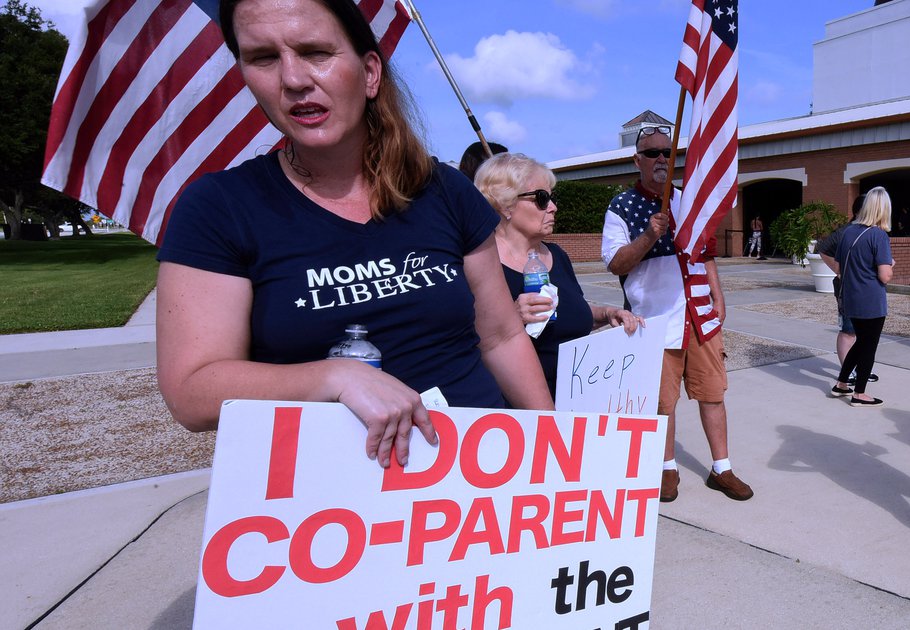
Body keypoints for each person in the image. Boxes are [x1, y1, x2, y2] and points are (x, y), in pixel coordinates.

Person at [155, 0, 552, 470]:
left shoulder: (445, 190)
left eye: (316, 52)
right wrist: (334, 377)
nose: (293, 79)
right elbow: (192, 392)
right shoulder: (219, 207)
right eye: (263, 57)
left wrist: (553, 451)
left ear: (368, 73)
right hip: (330, 507)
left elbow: (501, 337)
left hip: (476, 480)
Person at [601, 125, 753, 503]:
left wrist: (718, 298)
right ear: (636, 160)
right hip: (654, 322)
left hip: (699, 317)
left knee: (712, 394)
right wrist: (649, 236)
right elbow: (617, 264)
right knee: (661, 403)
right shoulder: (622, 206)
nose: (662, 160)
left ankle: (722, 468)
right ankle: (666, 469)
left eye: (669, 153)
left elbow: (706, 253)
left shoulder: (690, 201)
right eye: (652, 153)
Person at [474, 152, 640, 399]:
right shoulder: (479, 263)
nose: (553, 207)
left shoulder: (557, 256)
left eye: (551, 198)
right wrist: (510, 318)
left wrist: (606, 313)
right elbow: (463, 342)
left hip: (578, 400)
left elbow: (568, 313)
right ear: (504, 204)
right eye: (541, 198)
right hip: (520, 411)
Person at [830, 187, 893, 407]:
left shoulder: (848, 232)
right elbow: (884, 276)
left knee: (860, 343)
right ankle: (860, 393)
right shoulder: (879, 235)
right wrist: (890, 267)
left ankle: (841, 383)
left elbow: (838, 267)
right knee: (868, 347)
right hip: (871, 300)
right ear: (884, 209)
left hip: (850, 297)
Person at [818, 193, 878, 386]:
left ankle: (861, 369)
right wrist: (839, 270)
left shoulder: (871, 231)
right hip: (848, 289)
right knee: (849, 329)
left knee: (863, 332)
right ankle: (847, 370)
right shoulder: (847, 231)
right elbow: (823, 247)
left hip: (866, 289)